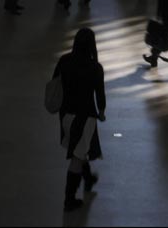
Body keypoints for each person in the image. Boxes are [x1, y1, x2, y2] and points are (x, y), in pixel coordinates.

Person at [52, 28, 106, 212]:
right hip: (86, 118)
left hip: (66, 114)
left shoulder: (64, 61)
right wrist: (102, 112)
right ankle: (69, 198)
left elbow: (55, 83)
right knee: (77, 156)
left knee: (79, 150)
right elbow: (100, 95)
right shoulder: (95, 68)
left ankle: (88, 178)